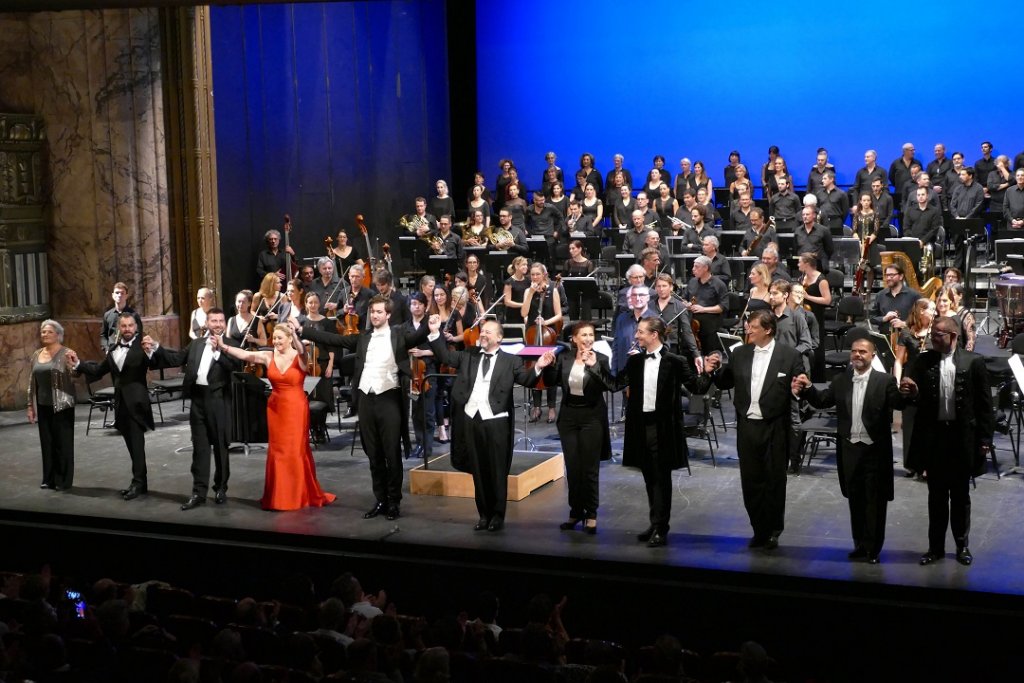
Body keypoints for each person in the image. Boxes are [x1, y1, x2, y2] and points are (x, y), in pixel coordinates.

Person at [294, 296, 429, 519]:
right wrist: (303, 331)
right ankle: (381, 500)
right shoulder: (363, 337)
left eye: (379, 312)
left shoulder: (398, 335)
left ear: (387, 315)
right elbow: (334, 339)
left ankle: (394, 501)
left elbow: (417, 336)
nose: (375, 315)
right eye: (372, 312)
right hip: (366, 398)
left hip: (389, 398)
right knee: (373, 453)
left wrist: (430, 327)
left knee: (391, 453)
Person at [793, 332, 906, 563]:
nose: (857, 355)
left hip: (874, 451)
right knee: (855, 501)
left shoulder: (884, 381)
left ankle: (873, 549)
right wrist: (807, 388)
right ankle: (859, 545)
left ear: (872, 355)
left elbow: (898, 402)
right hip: (850, 450)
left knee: (874, 503)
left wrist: (910, 393)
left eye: (862, 351)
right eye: (854, 351)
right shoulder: (842, 379)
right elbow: (823, 401)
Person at [427, 317, 540, 531]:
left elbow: (527, 380)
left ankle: (497, 515)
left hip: (495, 421)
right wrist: (434, 332)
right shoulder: (469, 355)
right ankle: (483, 515)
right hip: (471, 419)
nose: (483, 335)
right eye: (482, 331)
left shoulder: (511, 361)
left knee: (496, 471)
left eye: (488, 332)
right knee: (478, 469)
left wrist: (538, 367)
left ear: (499, 337)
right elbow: (445, 356)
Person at [899, 316, 994, 567]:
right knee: (936, 497)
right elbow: (916, 399)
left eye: (938, 334)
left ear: (953, 336)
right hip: (935, 439)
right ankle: (935, 548)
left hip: (962, 439)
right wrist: (913, 392)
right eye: (932, 333)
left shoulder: (974, 362)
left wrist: (985, 438)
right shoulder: (924, 361)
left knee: (961, 497)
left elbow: (985, 405)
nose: (932, 337)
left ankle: (962, 546)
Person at [612, 317, 716, 547]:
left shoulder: (676, 361)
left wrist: (707, 372)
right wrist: (592, 364)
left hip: (663, 428)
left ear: (654, 335)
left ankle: (662, 527)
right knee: (649, 476)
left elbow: (697, 387)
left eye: (640, 332)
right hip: (641, 426)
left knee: (662, 478)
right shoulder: (636, 361)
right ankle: (654, 521)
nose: (636, 336)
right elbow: (615, 384)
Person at [711, 309, 806, 549]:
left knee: (774, 481)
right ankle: (758, 529)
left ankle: (774, 529)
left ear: (768, 329)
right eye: (747, 325)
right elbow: (725, 381)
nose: (747, 330)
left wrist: (800, 388)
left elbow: (800, 387)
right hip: (747, 426)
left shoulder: (789, 355)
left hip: (775, 426)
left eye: (752, 326)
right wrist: (713, 369)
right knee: (751, 481)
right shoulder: (740, 353)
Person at [214, 324, 335, 511]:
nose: (276, 341)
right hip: (275, 408)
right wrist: (224, 346)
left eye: (280, 338)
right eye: (275, 338)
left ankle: (297, 495)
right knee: (278, 451)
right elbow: (245, 355)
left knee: (294, 450)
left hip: (295, 408)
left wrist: (296, 335)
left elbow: (302, 351)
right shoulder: (268, 356)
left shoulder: (300, 356)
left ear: (288, 339)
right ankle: (279, 496)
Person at [149, 308, 242, 509]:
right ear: (207, 323)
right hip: (198, 401)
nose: (217, 324)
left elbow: (235, 366)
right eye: (214, 321)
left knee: (220, 447)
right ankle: (198, 492)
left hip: (218, 401)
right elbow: (176, 359)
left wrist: (220, 350)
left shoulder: (231, 344)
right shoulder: (197, 344)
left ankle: (220, 488)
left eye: (221, 321)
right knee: (200, 449)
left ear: (225, 324)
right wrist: (157, 348)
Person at [70, 312, 158, 500]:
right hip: (121, 405)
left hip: (136, 404)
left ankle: (138, 483)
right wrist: (78, 364)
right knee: (132, 446)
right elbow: (98, 370)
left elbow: (157, 360)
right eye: (123, 326)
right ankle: (140, 483)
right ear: (119, 328)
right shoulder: (113, 349)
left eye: (130, 326)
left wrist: (154, 349)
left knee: (136, 445)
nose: (127, 329)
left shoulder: (143, 347)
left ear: (136, 327)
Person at [537, 321, 613, 535]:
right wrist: (548, 365)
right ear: (574, 339)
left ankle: (591, 513)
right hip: (569, 417)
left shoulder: (602, 359)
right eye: (584, 335)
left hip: (592, 417)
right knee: (573, 467)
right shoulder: (565, 357)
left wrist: (593, 366)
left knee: (589, 468)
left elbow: (607, 385)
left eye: (591, 335)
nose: (588, 339)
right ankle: (575, 511)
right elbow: (551, 381)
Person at [27, 320, 77, 491]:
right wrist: (30, 406)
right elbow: (31, 382)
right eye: (43, 332)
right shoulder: (36, 355)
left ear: (58, 335)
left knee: (62, 444)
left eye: (49, 332)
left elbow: (75, 374)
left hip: (62, 405)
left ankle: (63, 480)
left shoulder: (66, 353)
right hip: (43, 405)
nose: (45, 334)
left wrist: (74, 366)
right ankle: (48, 479)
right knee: (47, 443)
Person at [405, 292, 436, 461]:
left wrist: (423, 352)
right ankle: (419, 444)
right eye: (413, 304)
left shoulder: (431, 324)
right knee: (416, 413)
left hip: (428, 373)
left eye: (419, 304)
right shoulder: (405, 326)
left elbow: (439, 349)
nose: (416, 307)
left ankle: (427, 446)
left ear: (425, 306)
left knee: (428, 413)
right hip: (412, 376)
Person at [797, 253, 831, 381]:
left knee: (816, 343)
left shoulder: (821, 280)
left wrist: (808, 297)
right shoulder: (802, 278)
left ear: (806, 264)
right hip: (803, 314)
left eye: (800, 262)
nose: (798, 264)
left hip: (816, 315)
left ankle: (818, 376)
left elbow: (827, 300)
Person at [685, 255, 727, 354]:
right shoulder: (692, 282)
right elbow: (684, 298)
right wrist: (686, 304)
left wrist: (703, 309)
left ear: (706, 268)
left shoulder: (719, 285)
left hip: (710, 328)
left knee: (710, 354)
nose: (693, 269)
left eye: (696, 267)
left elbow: (722, 307)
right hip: (692, 325)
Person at [868, 261, 921, 335]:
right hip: (886, 338)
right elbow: (872, 318)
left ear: (901, 276)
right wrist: (884, 318)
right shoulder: (880, 295)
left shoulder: (914, 295)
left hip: (908, 339)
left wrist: (904, 324)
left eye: (891, 275)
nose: (888, 278)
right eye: (886, 275)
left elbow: (921, 318)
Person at [100, 282, 143, 354]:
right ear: (113, 295)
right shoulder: (107, 315)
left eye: (122, 293)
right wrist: (106, 348)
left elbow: (138, 335)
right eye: (117, 293)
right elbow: (103, 335)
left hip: (128, 353)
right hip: (111, 352)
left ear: (126, 296)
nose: (119, 295)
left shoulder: (134, 315)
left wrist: (130, 349)